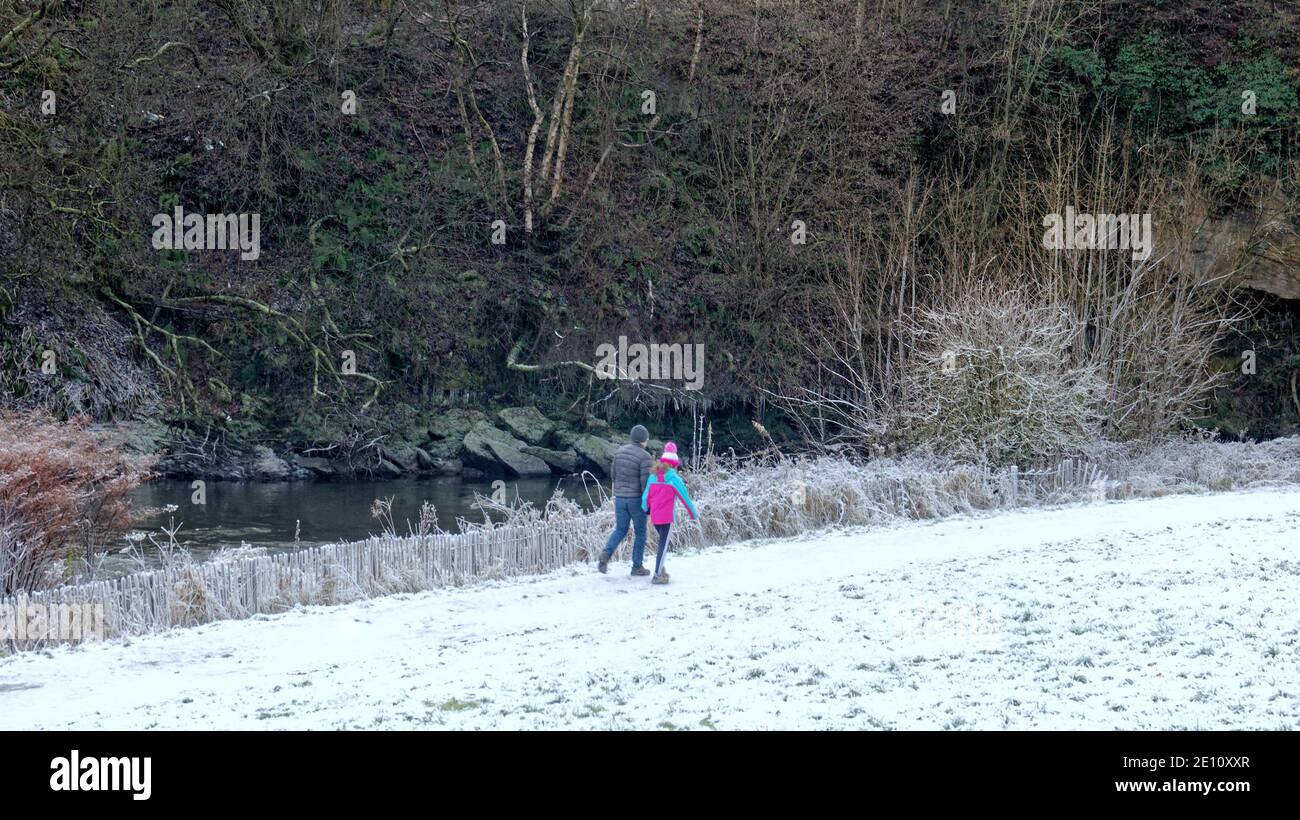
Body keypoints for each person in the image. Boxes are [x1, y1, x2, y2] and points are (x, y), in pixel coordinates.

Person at [597, 424, 653, 575]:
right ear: (643, 440)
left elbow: (613, 474)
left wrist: (619, 491)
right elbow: (645, 483)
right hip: (636, 500)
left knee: (621, 529)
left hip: (620, 498)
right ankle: (637, 566)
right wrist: (647, 504)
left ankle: (606, 554)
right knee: (640, 533)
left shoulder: (620, 452)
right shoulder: (645, 456)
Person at [640, 442, 698, 585]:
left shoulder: (653, 477)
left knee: (662, 544)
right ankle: (658, 575)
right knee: (663, 545)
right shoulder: (674, 479)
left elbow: (645, 497)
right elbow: (685, 499)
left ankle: (661, 569)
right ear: (674, 464)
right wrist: (694, 515)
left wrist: (646, 510)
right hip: (666, 518)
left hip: (654, 517)